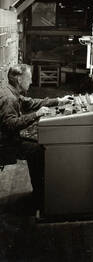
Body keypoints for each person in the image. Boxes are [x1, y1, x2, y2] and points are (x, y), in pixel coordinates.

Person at [0, 64, 73, 207]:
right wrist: (36, 115)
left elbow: (31, 103)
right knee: (38, 150)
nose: (31, 81)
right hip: (5, 144)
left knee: (38, 144)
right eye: (29, 78)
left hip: (9, 138)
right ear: (19, 79)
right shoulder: (10, 99)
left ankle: (41, 192)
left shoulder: (11, 92)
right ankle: (41, 197)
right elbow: (10, 125)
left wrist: (58, 101)